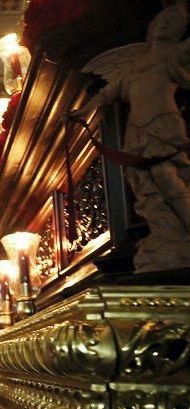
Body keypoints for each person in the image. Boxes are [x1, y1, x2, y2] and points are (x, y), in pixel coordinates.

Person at [72, 0, 190, 270]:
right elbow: (107, 92)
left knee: (167, 176)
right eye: (162, 22)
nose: (165, 27)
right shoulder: (137, 64)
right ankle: (166, 232)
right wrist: (84, 110)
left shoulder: (174, 55)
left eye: (172, 24)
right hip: (137, 128)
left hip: (164, 125)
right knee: (143, 182)